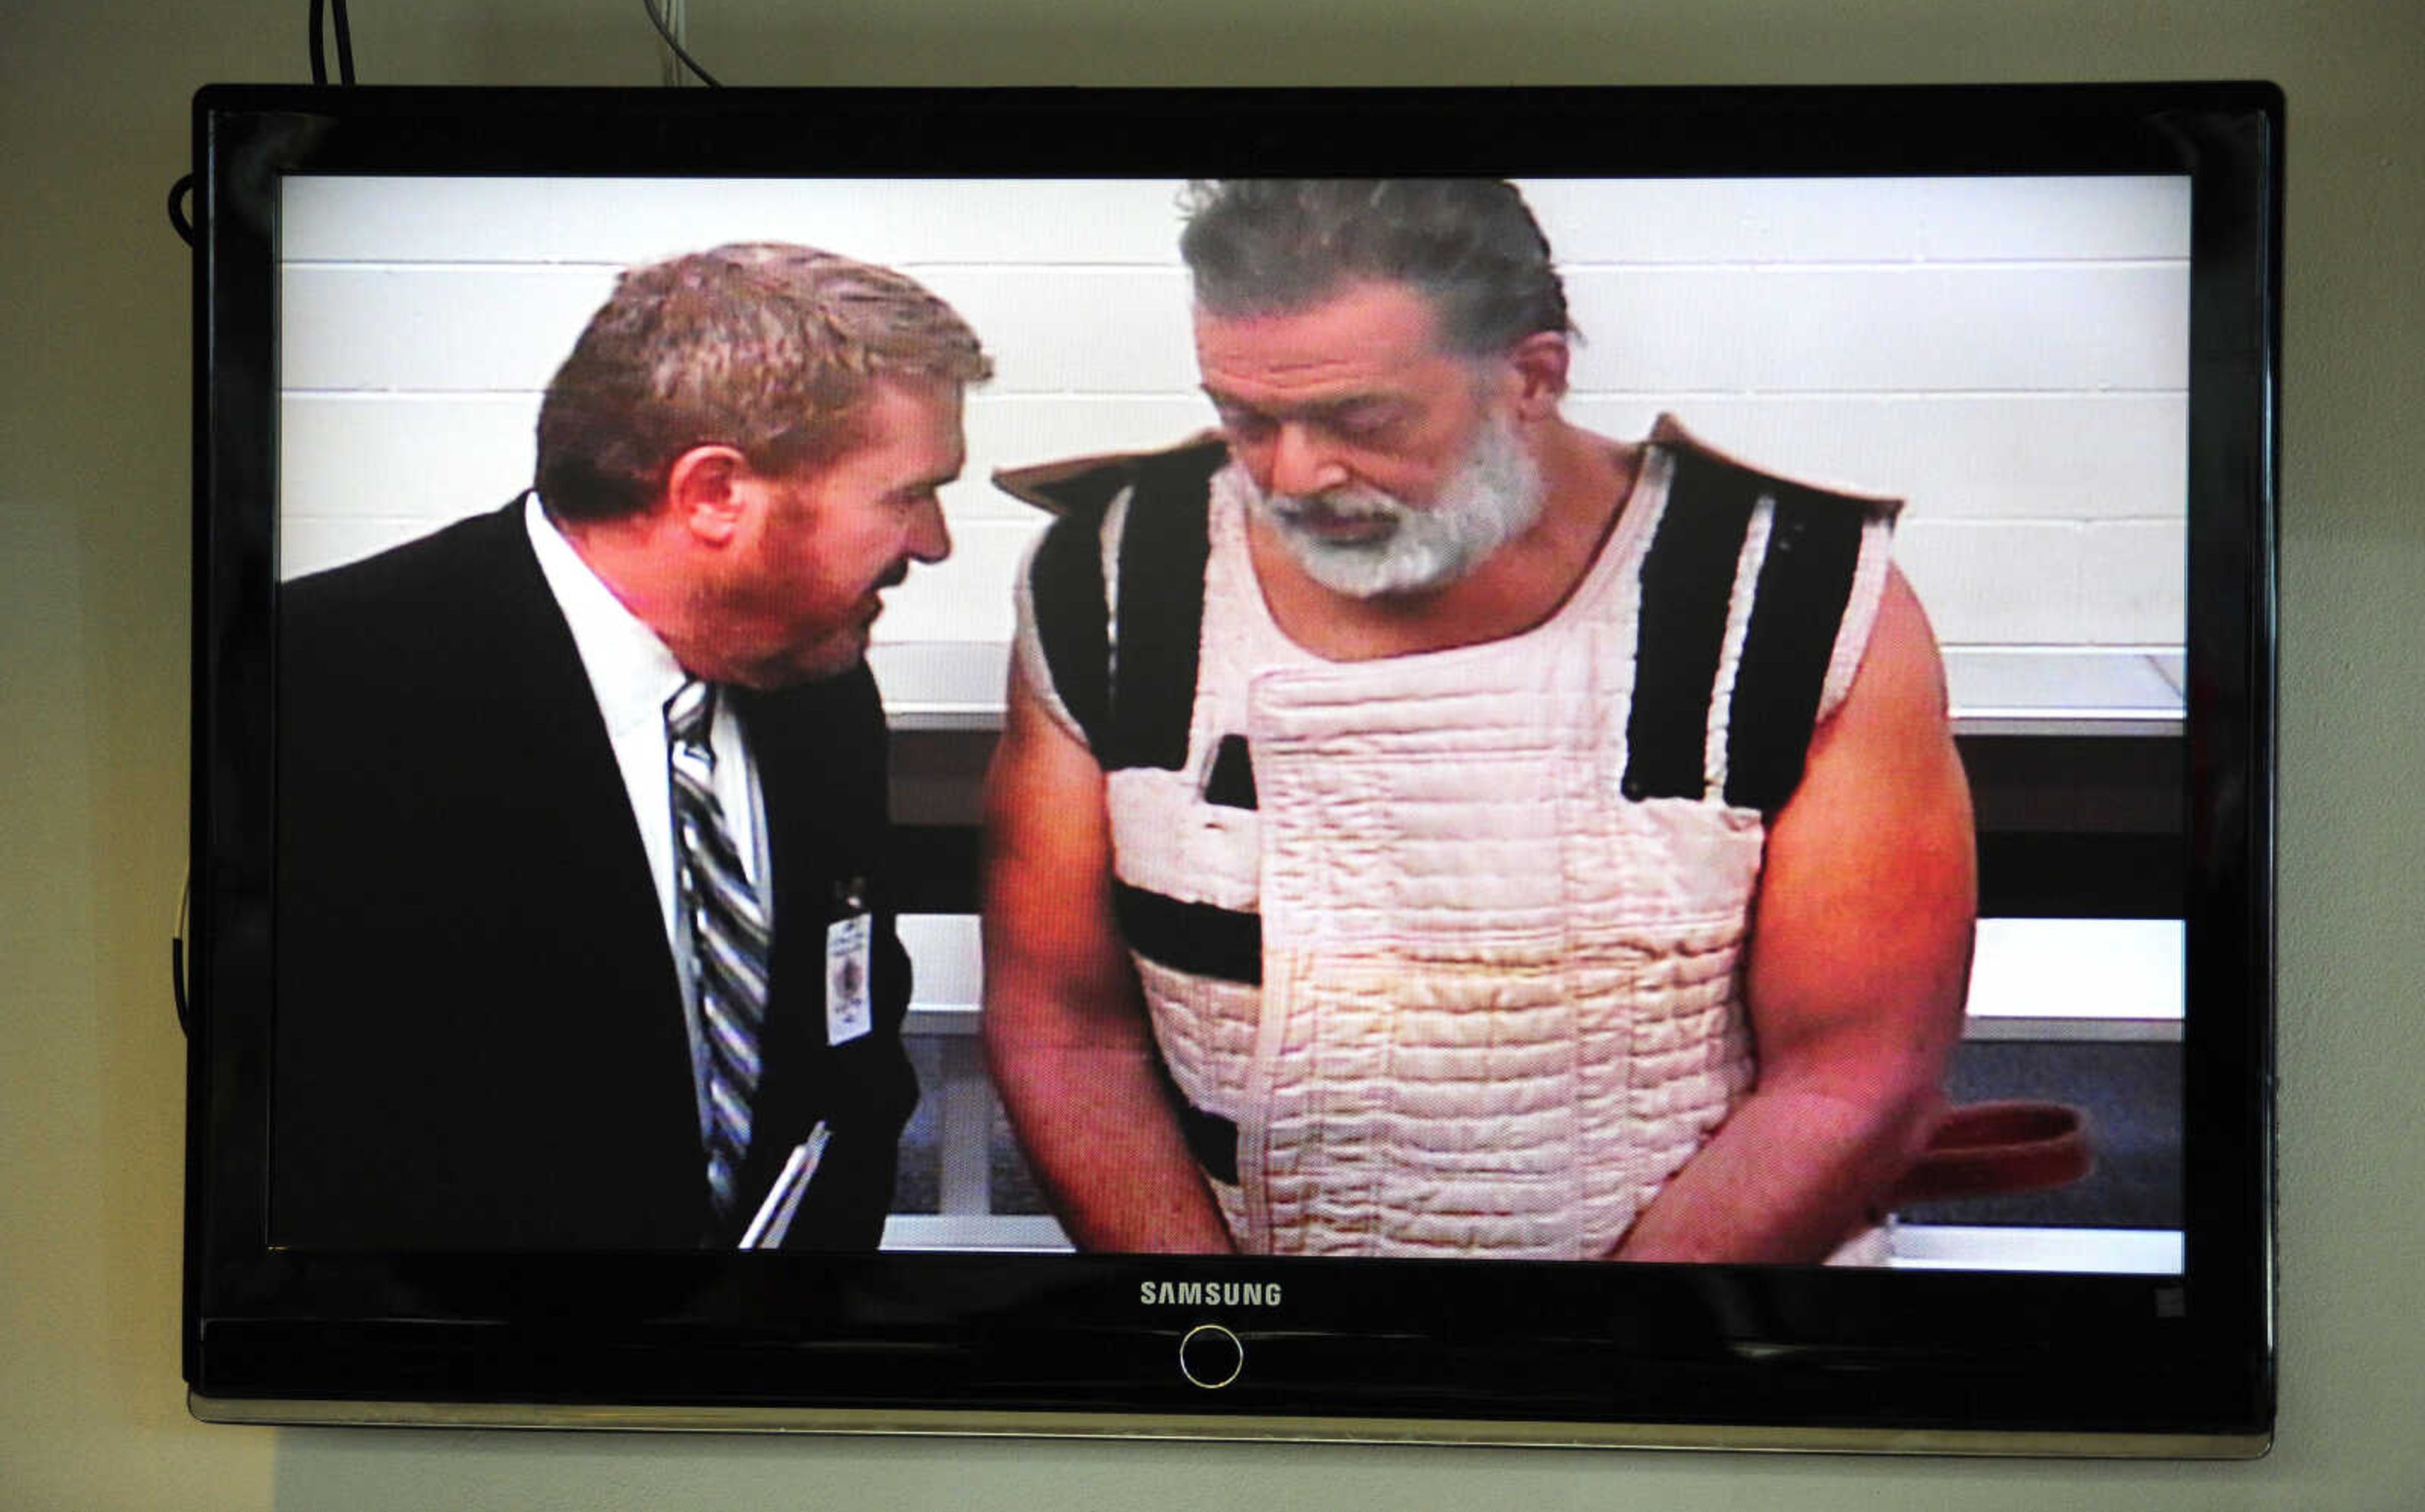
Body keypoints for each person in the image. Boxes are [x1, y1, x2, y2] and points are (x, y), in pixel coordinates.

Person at [982, 181, 1975, 1262]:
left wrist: (1579, 1374)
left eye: (1364, 420)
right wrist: (1225, 1330)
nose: (1295, 473)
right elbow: (1065, 1030)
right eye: (1246, 417)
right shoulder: (1116, 579)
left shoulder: (1797, 590)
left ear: (1532, 376)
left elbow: (1857, 1073)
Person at [272, 242, 991, 1251]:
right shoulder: (312, 695)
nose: (933, 543)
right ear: (712, 494)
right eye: (907, 494)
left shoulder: (819, 692)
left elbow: (851, 1044)